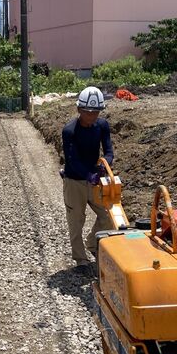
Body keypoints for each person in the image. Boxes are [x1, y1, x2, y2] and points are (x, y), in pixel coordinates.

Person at [61, 86, 114, 267]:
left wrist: (103, 165)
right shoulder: (69, 131)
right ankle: (81, 260)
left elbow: (108, 151)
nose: (92, 116)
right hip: (74, 180)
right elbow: (72, 160)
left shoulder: (102, 126)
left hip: (94, 179)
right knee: (76, 220)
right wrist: (87, 174)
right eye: (88, 112)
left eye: (96, 112)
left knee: (107, 216)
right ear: (79, 110)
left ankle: (92, 243)